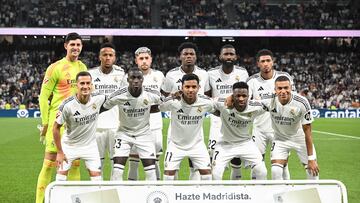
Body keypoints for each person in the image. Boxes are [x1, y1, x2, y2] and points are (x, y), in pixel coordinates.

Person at [36, 32, 87, 203]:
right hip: (57, 122)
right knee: (50, 163)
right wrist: (44, 122)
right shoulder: (55, 68)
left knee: (74, 163)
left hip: (77, 123)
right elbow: (44, 96)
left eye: (78, 45)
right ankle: (39, 201)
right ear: (66, 46)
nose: (75, 48)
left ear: (81, 47)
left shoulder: (82, 67)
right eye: (72, 44)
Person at [102, 68, 162, 181]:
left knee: (151, 172)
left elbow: (164, 104)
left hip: (144, 134)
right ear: (127, 79)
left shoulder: (151, 94)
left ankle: (151, 197)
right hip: (124, 134)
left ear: (142, 80)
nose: (136, 80)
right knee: (117, 171)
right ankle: (116, 197)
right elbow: (102, 108)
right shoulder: (118, 95)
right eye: (132, 78)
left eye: (138, 78)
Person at [161, 42, 209, 180]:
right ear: (180, 56)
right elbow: (164, 95)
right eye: (185, 54)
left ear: (196, 57)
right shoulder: (171, 75)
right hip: (176, 124)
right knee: (172, 167)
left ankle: (192, 194)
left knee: (195, 165)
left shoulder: (203, 74)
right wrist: (172, 97)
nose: (189, 56)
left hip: (195, 125)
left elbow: (205, 96)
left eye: (192, 54)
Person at [246, 49, 294, 180]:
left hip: (279, 130)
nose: (266, 64)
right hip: (259, 129)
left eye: (268, 60)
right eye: (263, 61)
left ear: (273, 62)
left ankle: (284, 192)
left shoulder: (284, 78)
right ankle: (257, 193)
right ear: (258, 64)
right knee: (256, 164)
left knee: (282, 165)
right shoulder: (252, 81)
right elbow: (246, 104)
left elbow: (292, 100)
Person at [205, 44, 249, 180]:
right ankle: (215, 188)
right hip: (217, 117)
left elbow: (246, 95)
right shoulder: (211, 74)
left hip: (236, 118)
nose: (229, 57)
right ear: (220, 56)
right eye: (226, 54)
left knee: (236, 154)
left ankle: (236, 186)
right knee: (212, 150)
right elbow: (207, 96)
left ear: (235, 57)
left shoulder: (242, 73)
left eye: (231, 54)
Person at [54, 71, 104, 181]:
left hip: (90, 146)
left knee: (97, 180)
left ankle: (96, 198)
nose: (85, 86)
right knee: (60, 179)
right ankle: (60, 198)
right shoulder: (67, 105)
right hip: (69, 145)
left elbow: (115, 99)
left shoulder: (99, 98)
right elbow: (56, 128)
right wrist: (59, 152)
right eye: (82, 83)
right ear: (76, 85)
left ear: (92, 85)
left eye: (88, 83)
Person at [267, 76, 319, 180]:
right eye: (279, 88)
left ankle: (313, 193)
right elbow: (250, 103)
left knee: (312, 170)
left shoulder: (302, 102)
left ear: (291, 88)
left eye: (286, 87)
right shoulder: (269, 100)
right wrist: (232, 97)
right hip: (280, 138)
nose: (283, 91)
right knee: (275, 171)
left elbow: (308, 132)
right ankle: (281, 195)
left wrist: (311, 159)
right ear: (275, 90)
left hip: (299, 137)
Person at [212, 82, 267, 180]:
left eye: (244, 96)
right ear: (233, 95)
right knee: (216, 174)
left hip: (246, 143)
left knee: (262, 171)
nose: (241, 99)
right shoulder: (222, 103)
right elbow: (205, 100)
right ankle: (218, 194)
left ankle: (260, 194)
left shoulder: (256, 106)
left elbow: (274, 100)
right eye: (238, 96)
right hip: (225, 144)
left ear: (248, 96)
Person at [88, 42, 126, 179]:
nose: (108, 58)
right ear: (99, 57)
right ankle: (99, 190)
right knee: (97, 163)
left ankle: (115, 191)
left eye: (111, 55)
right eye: (105, 55)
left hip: (116, 125)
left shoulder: (121, 74)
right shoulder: (91, 74)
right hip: (96, 126)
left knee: (116, 162)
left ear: (115, 57)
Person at [127, 47, 165, 180]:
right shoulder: (129, 77)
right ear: (136, 60)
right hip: (135, 123)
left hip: (155, 122)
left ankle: (156, 190)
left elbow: (164, 96)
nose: (144, 61)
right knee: (134, 161)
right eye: (141, 58)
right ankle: (132, 192)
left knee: (154, 160)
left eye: (146, 58)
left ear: (151, 59)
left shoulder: (159, 76)